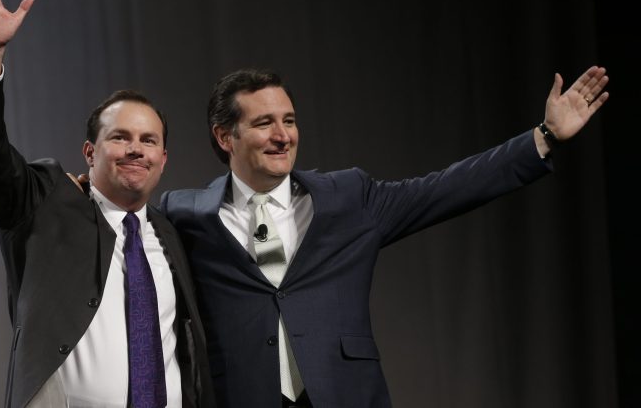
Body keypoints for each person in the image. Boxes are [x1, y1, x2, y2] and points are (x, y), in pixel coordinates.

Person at [159, 67, 608, 408]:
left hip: (345, 393)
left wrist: (543, 137)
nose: (282, 136)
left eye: (289, 121)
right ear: (225, 136)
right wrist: (86, 194)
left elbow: (445, 188)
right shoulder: (184, 213)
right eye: (264, 124)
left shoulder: (347, 198)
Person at [0, 0, 215, 408]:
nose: (136, 149)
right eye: (120, 137)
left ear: (163, 159)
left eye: (148, 141)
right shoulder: (43, 203)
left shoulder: (170, 234)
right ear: (89, 152)